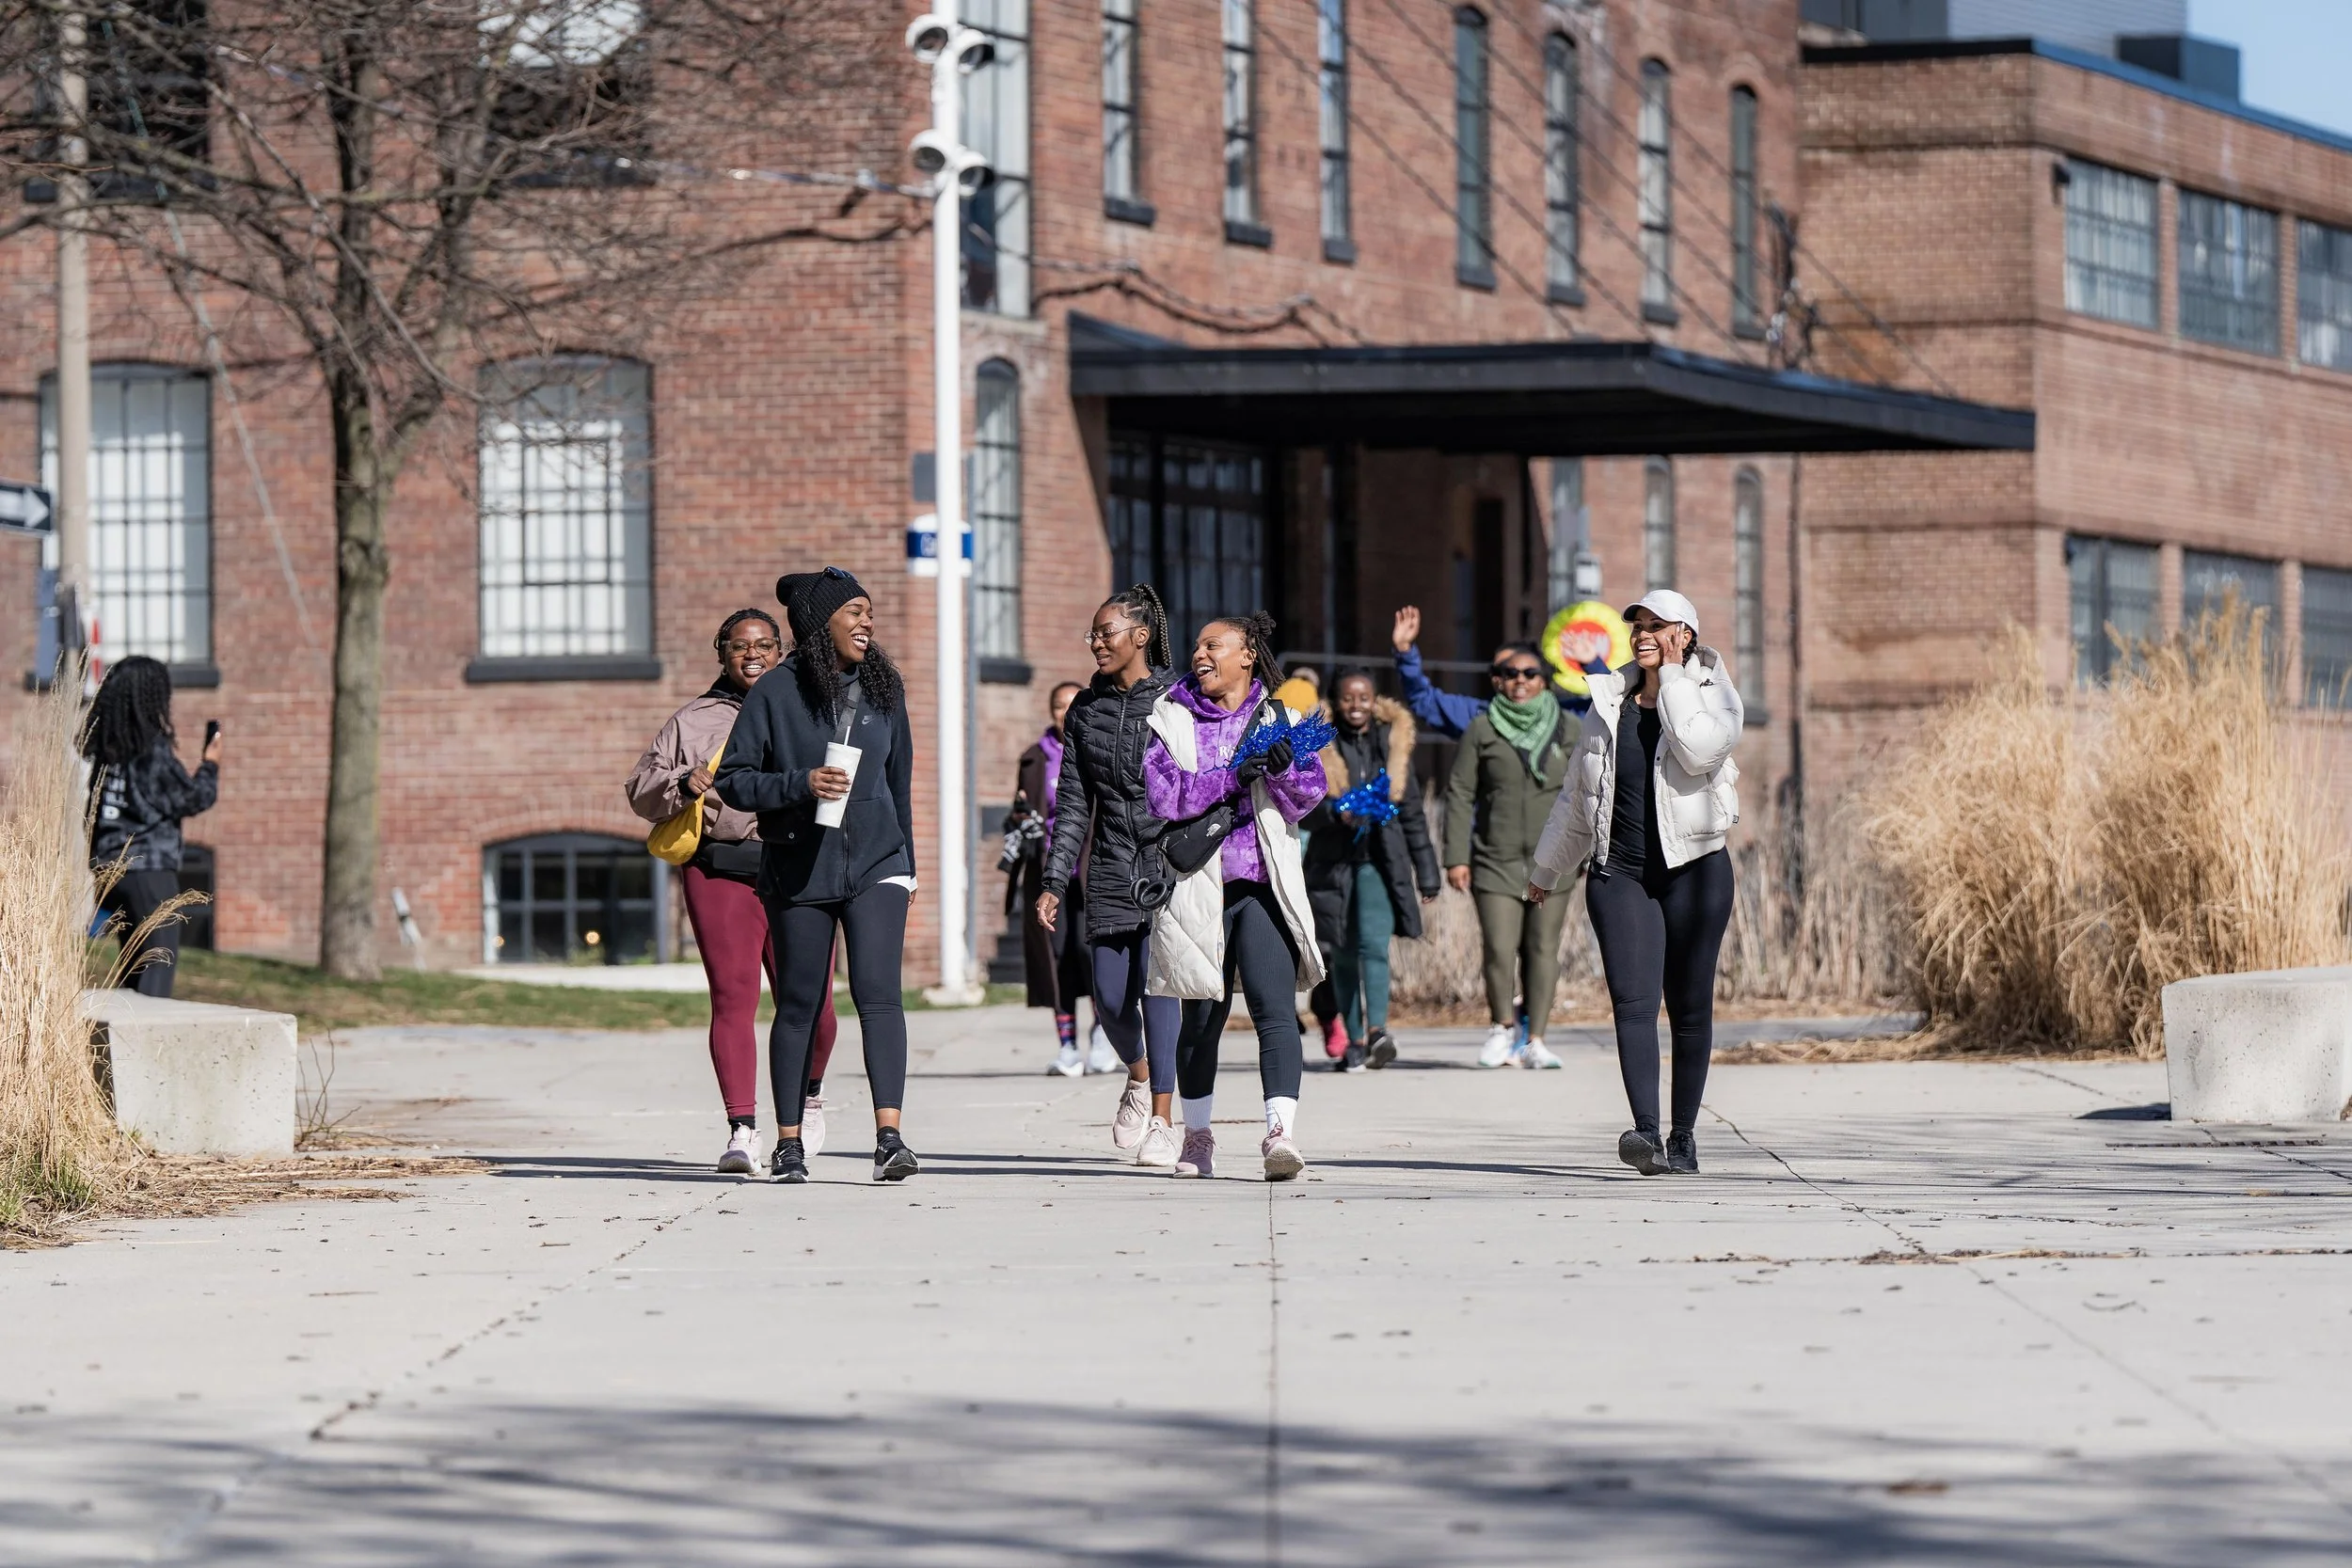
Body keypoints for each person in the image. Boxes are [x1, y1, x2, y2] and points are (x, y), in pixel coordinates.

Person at [714, 567, 919, 1184]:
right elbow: (734, 780)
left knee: (880, 994)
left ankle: (890, 1138)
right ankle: (788, 1142)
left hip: (878, 862)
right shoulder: (775, 692)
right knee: (801, 1003)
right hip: (799, 864)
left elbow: (899, 781)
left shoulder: (884, 687)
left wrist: (905, 862)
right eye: (854, 610)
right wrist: (799, 785)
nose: (867, 621)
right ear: (819, 622)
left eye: (870, 611)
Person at [1529, 589, 1742, 1177]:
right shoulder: (1607, 702)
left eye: (1657, 626)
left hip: (1696, 871)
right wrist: (1547, 869)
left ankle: (1684, 1138)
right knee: (1633, 1002)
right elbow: (1578, 797)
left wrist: (1672, 676)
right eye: (1638, 626)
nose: (1643, 634)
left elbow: (1698, 751)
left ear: (1686, 635)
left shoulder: (1716, 695)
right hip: (1618, 872)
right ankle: (1646, 1134)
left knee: (1691, 1008)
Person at [628, 610, 840, 1175]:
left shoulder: (810, 707)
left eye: (766, 645)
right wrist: (681, 782)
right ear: (721, 651)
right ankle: (742, 1130)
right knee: (733, 997)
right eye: (741, 646)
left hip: (801, 868)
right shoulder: (692, 720)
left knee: (815, 1005)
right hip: (721, 869)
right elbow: (640, 788)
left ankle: (810, 1097)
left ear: (780, 651)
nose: (754, 655)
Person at [1144, 612, 1327, 1180]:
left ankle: (1280, 1136)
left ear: (1248, 655)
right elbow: (1164, 796)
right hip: (1199, 884)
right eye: (1197, 646)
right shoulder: (1171, 717)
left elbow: (1310, 793)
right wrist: (1231, 775)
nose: (1200, 654)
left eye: (1213, 646)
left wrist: (1282, 771)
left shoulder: (1281, 717)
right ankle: (1197, 1138)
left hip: (1261, 885)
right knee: (1202, 1017)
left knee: (1276, 1012)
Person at [1038, 586, 1184, 1169]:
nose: (1097, 643)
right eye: (1093, 635)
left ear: (1140, 637)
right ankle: (1140, 1075)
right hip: (1108, 867)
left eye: (1108, 633)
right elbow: (1073, 805)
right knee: (1112, 998)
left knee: (1160, 991)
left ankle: (1164, 1121)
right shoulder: (1085, 710)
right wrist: (1053, 880)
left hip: (1170, 864)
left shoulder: (1179, 699)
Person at [1444, 641, 1576, 1071]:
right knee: (1500, 949)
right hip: (1494, 860)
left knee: (1542, 949)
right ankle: (1501, 1029)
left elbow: (1588, 794)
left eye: (1530, 674)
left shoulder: (1569, 729)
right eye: (1511, 673)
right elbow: (1461, 792)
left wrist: (1588, 850)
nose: (1521, 681)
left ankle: (1535, 1039)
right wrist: (1456, 856)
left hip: (1553, 861)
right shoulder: (1482, 729)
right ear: (1499, 681)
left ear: (1545, 681)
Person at [1302, 670, 1439, 1071]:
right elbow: (1299, 804)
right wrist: (1334, 812)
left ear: (1376, 701)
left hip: (1379, 862)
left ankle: (1379, 1032)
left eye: (1364, 697)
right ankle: (1355, 1040)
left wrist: (1428, 874)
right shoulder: (1316, 742)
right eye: (1348, 698)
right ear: (1336, 701)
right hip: (1332, 863)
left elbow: (1412, 813)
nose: (1356, 705)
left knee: (1374, 947)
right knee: (1342, 952)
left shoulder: (1392, 744)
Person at [84, 656, 219, 998]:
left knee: (133, 966)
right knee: (157, 967)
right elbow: (191, 799)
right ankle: (143, 1046)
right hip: (148, 872)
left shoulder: (106, 751)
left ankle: (116, 1045)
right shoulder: (149, 752)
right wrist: (210, 765)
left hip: (108, 869)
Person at [1011, 681, 1115, 1076]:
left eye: (1072, 706)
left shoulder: (1100, 749)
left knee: (1093, 955)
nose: (1064, 713)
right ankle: (1067, 1047)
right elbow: (1019, 813)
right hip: (1049, 875)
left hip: (1095, 874)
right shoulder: (1033, 759)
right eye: (1058, 706)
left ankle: (1104, 1037)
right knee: (1057, 960)